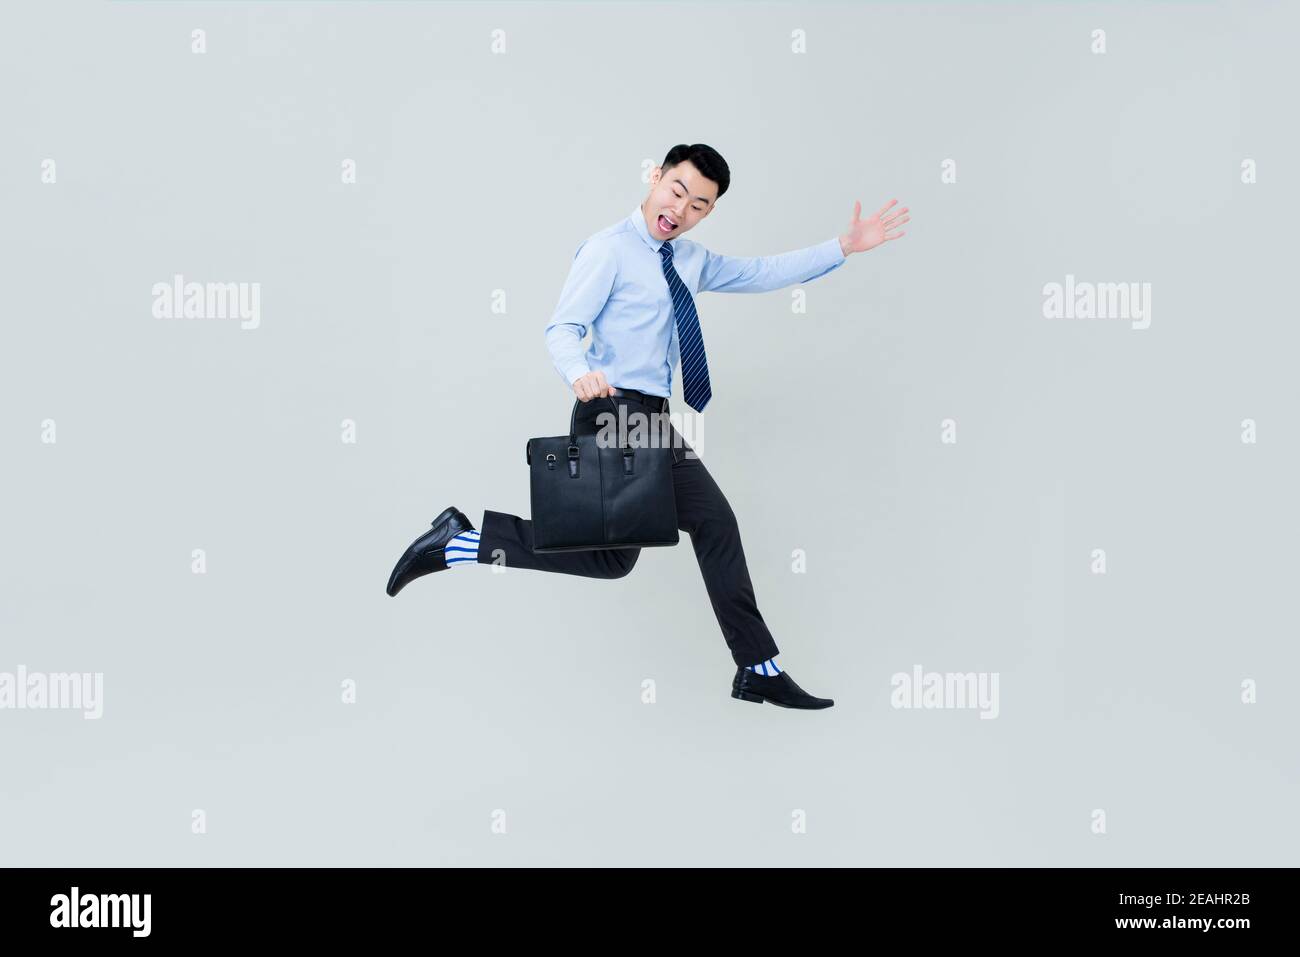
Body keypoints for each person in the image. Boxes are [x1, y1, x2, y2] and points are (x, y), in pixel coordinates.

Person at [385, 143, 908, 710]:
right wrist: (581, 373)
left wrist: (844, 247)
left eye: (699, 205)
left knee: (612, 561)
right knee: (716, 522)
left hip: (649, 416)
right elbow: (562, 328)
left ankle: (461, 543)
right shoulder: (608, 250)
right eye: (676, 191)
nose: (680, 209)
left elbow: (761, 273)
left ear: (707, 213)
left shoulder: (690, 260)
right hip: (613, 411)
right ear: (656, 179)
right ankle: (759, 666)